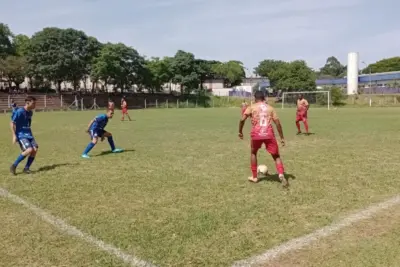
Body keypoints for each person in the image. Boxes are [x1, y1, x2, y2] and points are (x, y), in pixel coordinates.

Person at [238, 91, 288, 187]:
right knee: (276, 156)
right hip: (269, 134)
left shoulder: (252, 107)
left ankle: (254, 177)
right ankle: (281, 174)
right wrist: (282, 137)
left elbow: (242, 119)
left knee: (253, 153)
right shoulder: (270, 108)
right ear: (264, 98)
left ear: (254, 98)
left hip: (256, 134)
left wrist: (240, 131)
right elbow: (277, 123)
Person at [10, 96, 38, 175]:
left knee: (35, 149)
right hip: (21, 134)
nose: (35, 105)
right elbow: (12, 123)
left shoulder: (30, 112)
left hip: (29, 134)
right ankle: (14, 165)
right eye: (33, 103)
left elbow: (28, 124)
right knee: (29, 150)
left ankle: (26, 168)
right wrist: (14, 135)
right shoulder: (20, 112)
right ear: (27, 103)